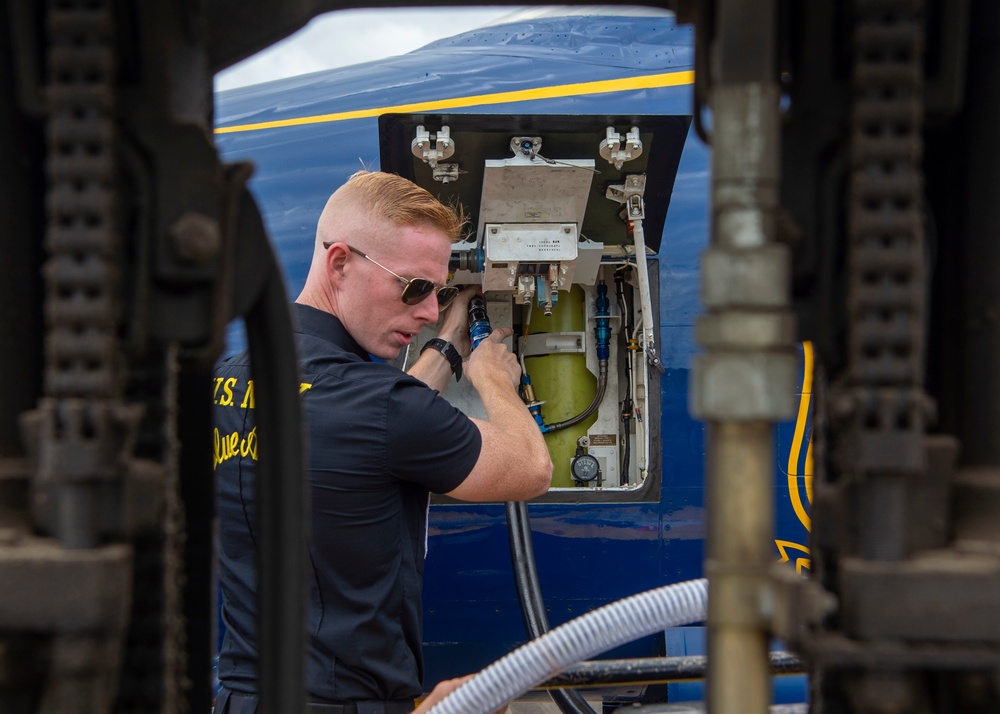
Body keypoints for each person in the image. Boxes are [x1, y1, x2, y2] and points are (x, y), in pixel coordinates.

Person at [214, 170, 552, 713]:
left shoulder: (231, 378)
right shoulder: (381, 406)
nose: (426, 312)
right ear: (340, 263)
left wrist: (446, 345)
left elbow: (366, 429)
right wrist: (492, 377)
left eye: (439, 293)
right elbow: (530, 468)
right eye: (414, 287)